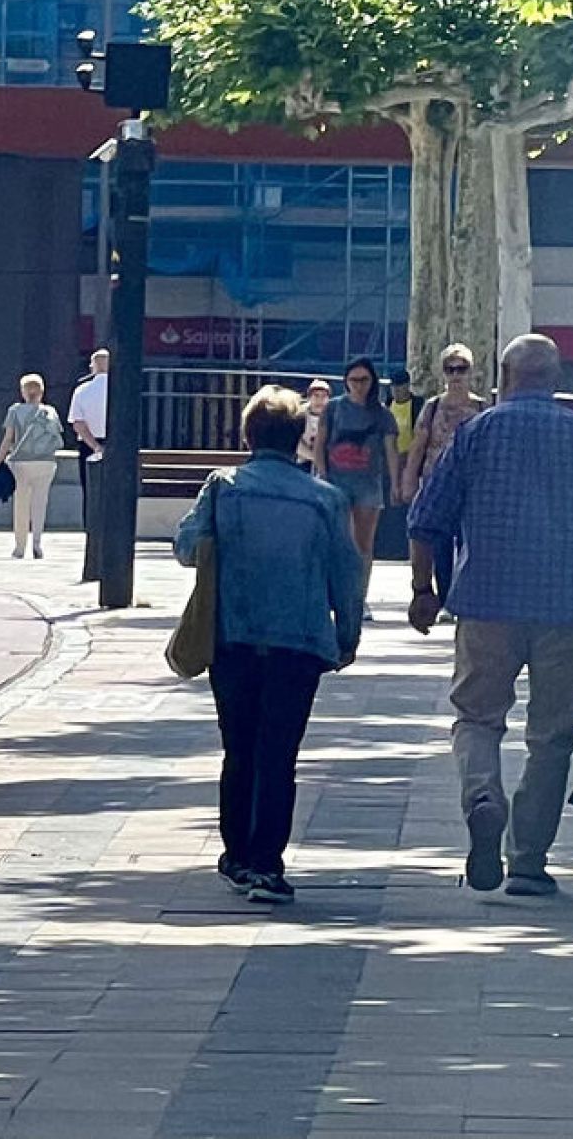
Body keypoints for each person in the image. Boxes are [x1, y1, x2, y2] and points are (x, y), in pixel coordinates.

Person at [408, 333, 573, 899]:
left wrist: (422, 589)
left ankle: (482, 796)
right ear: (556, 378)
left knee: (477, 717)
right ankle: (527, 861)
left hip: (487, 604)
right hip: (567, 609)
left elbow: (427, 518)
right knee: (552, 738)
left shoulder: (477, 433)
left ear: (504, 376)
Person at [174, 385, 365, 905]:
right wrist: (347, 633)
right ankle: (267, 861)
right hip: (299, 642)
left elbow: (187, 547)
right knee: (280, 753)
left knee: (239, 747)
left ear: (248, 434)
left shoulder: (224, 487)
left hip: (234, 635)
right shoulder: (326, 499)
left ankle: (236, 855)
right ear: (299, 437)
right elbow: (346, 573)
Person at [314, 357, 401, 612]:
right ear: (346, 382)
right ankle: (335, 593)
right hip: (336, 481)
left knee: (363, 544)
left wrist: (395, 483)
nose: (359, 385)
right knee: (338, 540)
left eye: (364, 380)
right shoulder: (333, 408)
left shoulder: (382, 415)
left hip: (368, 484)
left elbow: (391, 451)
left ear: (372, 381)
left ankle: (358, 598)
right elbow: (320, 443)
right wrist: (323, 474)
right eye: (353, 380)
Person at [400, 343, 489, 504]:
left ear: (470, 372)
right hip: (434, 483)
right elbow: (418, 446)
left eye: (462, 369)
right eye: (450, 369)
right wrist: (409, 481)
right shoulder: (432, 407)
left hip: (469, 485)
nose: (456, 375)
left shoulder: (482, 408)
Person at [0, 373, 64, 560]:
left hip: (21, 462)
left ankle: (19, 546)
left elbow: (9, 438)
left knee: (21, 505)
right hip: (46, 462)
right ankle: (37, 544)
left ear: (23, 391)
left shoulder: (15, 411)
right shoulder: (50, 412)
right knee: (40, 503)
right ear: (42, 392)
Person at [68, 349, 109, 516]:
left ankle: (90, 525)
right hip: (115, 443)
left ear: (93, 366)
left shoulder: (82, 390)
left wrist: (95, 446)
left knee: (89, 489)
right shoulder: (123, 388)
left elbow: (78, 423)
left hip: (88, 445)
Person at [296, 378, 330, 472]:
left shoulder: (333, 415)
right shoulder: (299, 414)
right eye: (316, 395)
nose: (320, 400)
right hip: (302, 461)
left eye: (324, 396)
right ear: (309, 397)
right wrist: (314, 458)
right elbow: (295, 442)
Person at [387, 369, 419, 458]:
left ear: (408, 385)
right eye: (393, 385)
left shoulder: (418, 406)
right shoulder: (387, 407)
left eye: (400, 385)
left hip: (411, 458)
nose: (396, 389)